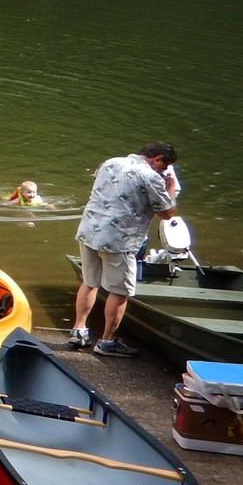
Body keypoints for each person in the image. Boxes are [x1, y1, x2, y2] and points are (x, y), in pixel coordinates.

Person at [70, 142, 179, 356]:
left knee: (89, 282)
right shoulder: (151, 177)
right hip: (119, 239)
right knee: (120, 291)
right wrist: (171, 188)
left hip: (89, 230)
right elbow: (167, 214)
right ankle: (107, 342)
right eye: (164, 166)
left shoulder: (111, 162)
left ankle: (78, 330)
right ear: (157, 159)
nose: (163, 170)